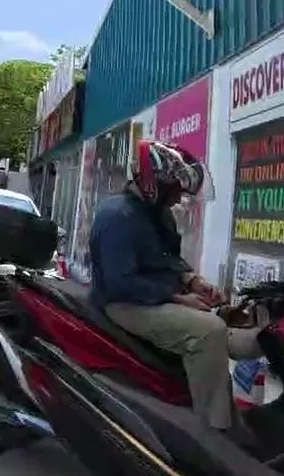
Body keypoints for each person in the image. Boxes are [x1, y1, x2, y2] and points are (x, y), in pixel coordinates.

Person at [88, 139, 260, 438]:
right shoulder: (117, 216)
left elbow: (166, 259)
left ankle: (228, 411)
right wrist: (178, 299)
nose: (180, 197)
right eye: (176, 189)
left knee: (226, 326)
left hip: (153, 296)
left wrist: (192, 280)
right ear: (157, 184)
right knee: (209, 332)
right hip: (122, 303)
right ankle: (214, 435)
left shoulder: (158, 214)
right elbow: (121, 282)